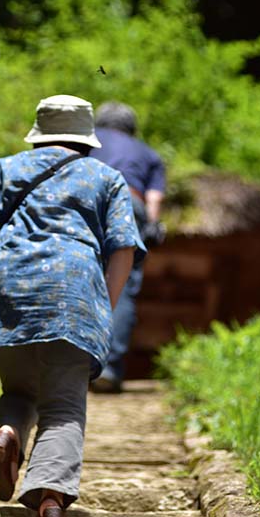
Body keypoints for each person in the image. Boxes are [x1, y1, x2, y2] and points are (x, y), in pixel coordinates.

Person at [0, 94, 145, 517]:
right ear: (86, 137)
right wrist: (103, 305)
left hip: (10, 292)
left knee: (18, 392)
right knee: (64, 405)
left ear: (39, 133)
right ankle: (50, 495)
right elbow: (124, 247)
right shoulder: (106, 180)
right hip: (75, 296)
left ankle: (9, 434)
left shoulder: (4, 170)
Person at [90, 101, 166, 394]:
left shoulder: (89, 140)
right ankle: (107, 368)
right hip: (130, 203)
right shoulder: (147, 153)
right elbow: (154, 198)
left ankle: (69, 364)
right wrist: (151, 227)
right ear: (131, 128)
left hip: (89, 198)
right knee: (122, 285)